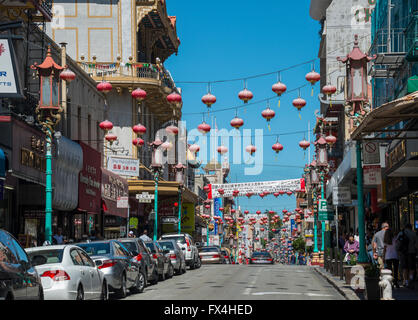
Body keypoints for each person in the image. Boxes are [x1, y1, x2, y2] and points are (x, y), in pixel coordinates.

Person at [396, 224, 417, 288]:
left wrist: (398, 251)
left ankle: (406, 281)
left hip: (403, 253)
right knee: (411, 267)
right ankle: (411, 279)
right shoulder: (413, 234)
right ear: (411, 227)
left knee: (405, 267)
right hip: (411, 252)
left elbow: (397, 243)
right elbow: (416, 244)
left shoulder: (401, 233)